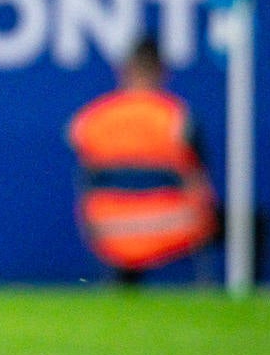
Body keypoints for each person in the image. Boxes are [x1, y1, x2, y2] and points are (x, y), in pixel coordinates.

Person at [67, 38, 219, 285]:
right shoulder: (177, 118)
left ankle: (121, 288)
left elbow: (85, 181)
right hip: (176, 224)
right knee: (248, 227)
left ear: (123, 70)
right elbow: (199, 183)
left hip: (108, 227)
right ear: (163, 72)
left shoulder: (92, 119)